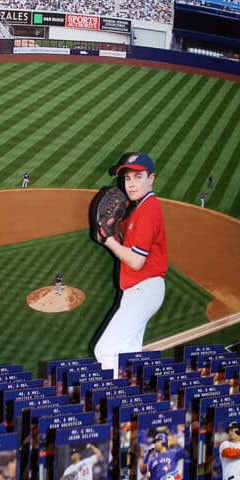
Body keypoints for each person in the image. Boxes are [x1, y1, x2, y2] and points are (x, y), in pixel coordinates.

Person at [93, 151, 168, 377]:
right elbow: (116, 238)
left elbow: (136, 261)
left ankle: (118, 402)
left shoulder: (148, 211)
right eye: (127, 178)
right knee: (129, 355)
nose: (131, 184)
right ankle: (134, 404)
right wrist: (110, 234)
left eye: (138, 177)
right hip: (139, 290)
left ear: (151, 178)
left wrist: (109, 242)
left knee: (104, 350)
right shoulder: (139, 210)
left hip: (144, 289)